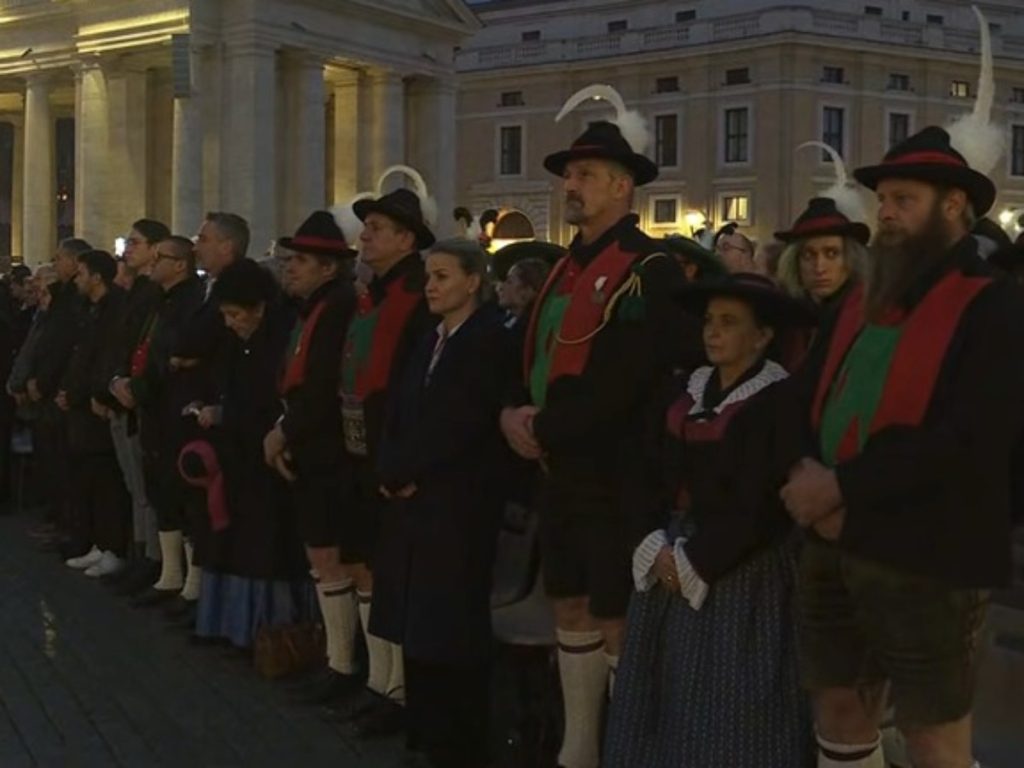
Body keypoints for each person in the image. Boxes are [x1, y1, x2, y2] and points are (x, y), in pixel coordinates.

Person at [781, 124, 1024, 768]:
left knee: (933, 731)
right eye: (882, 199)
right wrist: (807, 473)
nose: (885, 213)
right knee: (839, 708)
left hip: (929, 556)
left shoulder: (994, 302)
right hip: (833, 541)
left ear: (953, 206)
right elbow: (805, 398)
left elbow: (970, 435)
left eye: (904, 199)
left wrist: (841, 488)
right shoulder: (859, 300)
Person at [500, 85, 686, 768]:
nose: (568, 187)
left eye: (581, 177)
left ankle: (628, 747)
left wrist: (543, 425)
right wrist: (513, 410)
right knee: (569, 604)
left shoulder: (649, 269)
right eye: (567, 176)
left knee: (614, 614)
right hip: (558, 468)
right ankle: (578, 750)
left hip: (616, 475)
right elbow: (536, 356)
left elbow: (627, 378)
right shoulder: (564, 269)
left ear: (620, 187)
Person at [604, 272, 816, 767]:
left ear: (762, 337)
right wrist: (650, 542)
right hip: (666, 556)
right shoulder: (684, 391)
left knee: (729, 702)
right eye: (708, 321)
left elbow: (762, 504)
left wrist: (695, 561)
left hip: (741, 570)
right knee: (663, 692)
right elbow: (639, 469)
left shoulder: (776, 401)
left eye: (728, 323)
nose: (712, 332)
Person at [373, 238, 511, 767]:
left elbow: (463, 421)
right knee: (420, 623)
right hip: (415, 502)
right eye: (429, 276)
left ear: (474, 280)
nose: (431, 286)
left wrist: (410, 470)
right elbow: (401, 408)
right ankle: (425, 732)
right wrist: (390, 466)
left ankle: (457, 743)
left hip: (457, 503)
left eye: (443, 276)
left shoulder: (486, 339)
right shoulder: (431, 338)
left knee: (451, 627)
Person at [319, 177, 435, 737]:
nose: (365, 235)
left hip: (390, 457)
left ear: (407, 239)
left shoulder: (418, 296)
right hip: (357, 450)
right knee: (364, 565)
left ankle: (398, 689)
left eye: (378, 228)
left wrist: (402, 458)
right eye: (366, 227)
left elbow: (417, 385)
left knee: (390, 576)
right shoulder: (377, 292)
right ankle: (374, 679)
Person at [259, 212, 360, 694]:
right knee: (321, 555)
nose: (289, 268)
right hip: (308, 440)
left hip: (326, 448)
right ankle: (336, 660)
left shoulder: (336, 307)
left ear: (328, 268)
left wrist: (284, 431)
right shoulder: (312, 307)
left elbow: (321, 382)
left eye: (300, 260)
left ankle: (343, 665)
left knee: (331, 555)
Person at [190, 258, 310, 648]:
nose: (230, 322)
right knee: (233, 540)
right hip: (236, 455)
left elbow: (272, 397)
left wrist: (226, 413)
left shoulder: (280, 338)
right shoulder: (236, 341)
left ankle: (270, 630)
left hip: (265, 456)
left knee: (265, 546)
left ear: (258, 308)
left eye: (235, 314)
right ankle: (231, 624)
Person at [110, 235, 205, 605]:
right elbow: (144, 348)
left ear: (179, 264)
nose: (152, 262)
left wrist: (140, 386)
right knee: (160, 492)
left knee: (181, 495)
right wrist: (120, 381)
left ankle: (191, 585)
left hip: (171, 409)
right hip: (150, 408)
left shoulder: (190, 302)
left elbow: (172, 354)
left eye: (160, 257)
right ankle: (169, 575)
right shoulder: (160, 301)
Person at [104, 218, 170, 592]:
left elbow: (144, 346)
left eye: (135, 243)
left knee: (145, 488)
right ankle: (141, 553)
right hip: (120, 392)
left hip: (140, 398)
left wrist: (126, 384)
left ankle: (152, 559)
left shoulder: (151, 295)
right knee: (135, 486)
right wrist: (112, 382)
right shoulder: (136, 293)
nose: (127, 249)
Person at [60, 250, 132, 577]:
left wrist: (92, 392)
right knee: (88, 478)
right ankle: (98, 543)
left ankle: (113, 546)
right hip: (81, 403)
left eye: (81, 273)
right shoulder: (90, 309)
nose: (77, 279)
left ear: (97, 277)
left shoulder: (116, 309)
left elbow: (107, 355)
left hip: (98, 404)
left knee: (107, 482)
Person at [29, 238, 90, 555]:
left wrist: (46, 380)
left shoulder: (70, 304)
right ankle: (65, 525)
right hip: (55, 390)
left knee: (70, 467)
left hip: (64, 393)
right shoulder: (64, 301)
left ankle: (75, 530)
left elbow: (63, 346)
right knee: (57, 463)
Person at [775, 198, 869, 308]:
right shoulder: (782, 315)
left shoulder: (870, 314)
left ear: (851, 257)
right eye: (808, 255)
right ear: (794, 262)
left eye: (832, 254)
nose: (819, 268)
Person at [496, 257, 550, 328]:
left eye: (509, 282)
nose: (500, 288)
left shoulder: (533, 330)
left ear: (527, 290)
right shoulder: (504, 323)